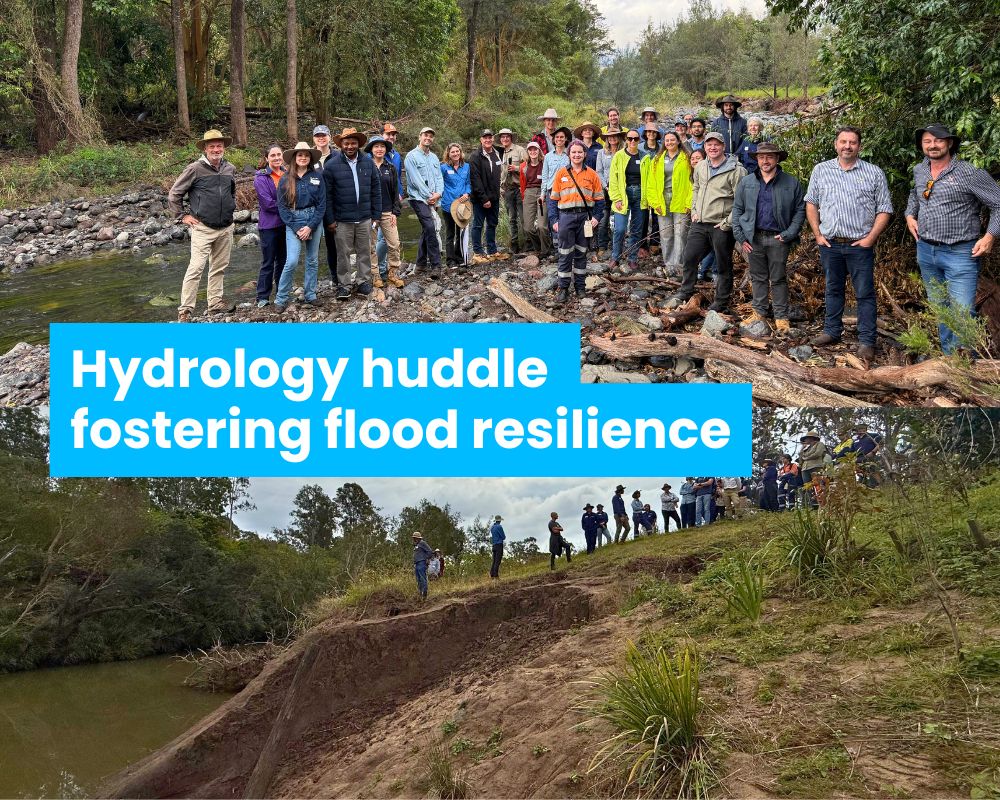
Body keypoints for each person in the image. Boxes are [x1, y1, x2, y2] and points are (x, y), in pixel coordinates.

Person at [905, 123, 1000, 354]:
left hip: (960, 253)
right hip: (926, 251)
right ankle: (951, 360)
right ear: (921, 145)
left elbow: (998, 203)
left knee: (962, 312)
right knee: (940, 309)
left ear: (949, 143)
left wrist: (990, 236)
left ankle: (967, 365)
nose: (932, 145)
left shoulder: (969, 172)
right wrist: (909, 215)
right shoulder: (920, 170)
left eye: (938, 140)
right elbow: (914, 195)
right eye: (927, 141)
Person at [805, 126, 893, 361]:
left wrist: (871, 238)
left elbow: (884, 209)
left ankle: (866, 340)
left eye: (852, 142)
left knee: (864, 293)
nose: (847, 146)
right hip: (830, 244)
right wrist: (817, 234)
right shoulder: (821, 170)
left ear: (859, 146)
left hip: (859, 246)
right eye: (843, 142)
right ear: (836, 144)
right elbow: (811, 203)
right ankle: (832, 331)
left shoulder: (874, 173)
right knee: (833, 289)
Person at [731, 142, 806, 334]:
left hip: (778, 239)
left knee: (779, 278)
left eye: (770, 157)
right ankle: (759, 312)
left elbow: (800, 209)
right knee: (758, 277)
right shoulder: (747, 182)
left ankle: (781, 316)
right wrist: (740, 236)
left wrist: (790, 233)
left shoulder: (791, 183)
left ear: (777, 158)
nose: (765, 161)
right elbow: (737, 209)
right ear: (756, 159)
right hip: (753, 238)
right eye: (762, 157)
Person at [671, 131, 746, 314]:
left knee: (722, 263)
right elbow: (696, 188)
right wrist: (695, 209)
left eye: (716, 144)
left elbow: (742, 201)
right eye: (709, 145)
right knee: (689, 257)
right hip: (700, 222)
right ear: (704, 147)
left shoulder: (737, 170)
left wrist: (728, 222)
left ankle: (721, 301)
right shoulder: (701, 166)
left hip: (721, 225)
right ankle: (686, 291)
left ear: (723, 147)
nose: (713, 148)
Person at [169, 129, 237, 321]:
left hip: (225, 227)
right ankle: (185, 310)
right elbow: (174, 194)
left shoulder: (229, 168)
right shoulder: (194, 169)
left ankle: (215, 303)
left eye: (219, 146)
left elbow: (232, 191)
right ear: (206, 149)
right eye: (212, 146)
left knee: (219, 266)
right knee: (196, 268)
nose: (216, 149)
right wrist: (182, 216)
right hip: (203, 227)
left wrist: (232, 207)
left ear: (224, 148)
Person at [323, 128, 380, 300]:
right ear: (341, 144)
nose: (350, 146)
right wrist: (330, 219)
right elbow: (328, 195)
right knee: (343, 254)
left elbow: (375, 190)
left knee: (364, 251)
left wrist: (376, 215)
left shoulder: (368, 163)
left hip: (364, 217)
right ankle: (344, 285)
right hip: (342, 219)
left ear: (358, 144)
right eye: (346, 143)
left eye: (353, 143)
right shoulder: (331, 165)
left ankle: (363, 282)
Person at [547, 139, 605, 303]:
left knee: (581, 253)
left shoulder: (592, 174)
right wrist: (554, 220)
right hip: (565, 218)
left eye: (580, 152)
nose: (577, 155)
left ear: (585, 154)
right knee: (564, 254)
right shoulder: (561, 174)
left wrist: (596, 217)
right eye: (574, 152)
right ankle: (563, 288)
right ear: (569, 154)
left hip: (585, 219)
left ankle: (580, 287)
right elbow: (552, 200)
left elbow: (600, 200)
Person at [274, 141, 326, 311]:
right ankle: (281, 299)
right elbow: (282, 207)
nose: (303, 157)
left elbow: (322, 205)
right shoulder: (285, 179)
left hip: (314, 220)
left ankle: (310, 295)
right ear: (294, 158)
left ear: (310, 158)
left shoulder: (317, 177)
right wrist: (297, 228)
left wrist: (310, 226)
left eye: (306, 155)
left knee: (312, 260)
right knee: (292, 261)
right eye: (300, 155)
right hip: (293, 220)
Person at [642, 130, 692, 276]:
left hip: (681, 200)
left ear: (678, 141)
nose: (669, 142)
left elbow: (692, 181)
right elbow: (650, 182)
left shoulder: (686, 158)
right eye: (667, 140)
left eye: (672, 140)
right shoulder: (657, 159)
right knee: (665, 234)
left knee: (681, 233)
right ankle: (669, 264)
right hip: (663, 201)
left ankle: (680, 266)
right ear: (664, 143)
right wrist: (654, 201)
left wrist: (689, 202)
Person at [405, 126, 445, 279]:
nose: (428, 138)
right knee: (430, 226)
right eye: (425, 135)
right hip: (418, 198)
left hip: (434, 197)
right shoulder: (411, 157)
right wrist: (430, 196)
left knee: (426, 229)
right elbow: (415, 181)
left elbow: (439, 178)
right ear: (419, 136)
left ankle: (420, 264)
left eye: (431, 136)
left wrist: (438, 194)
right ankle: (436, 265)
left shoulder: (434, 157)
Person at [365, 135, 403, 289]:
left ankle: (393, 273)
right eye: (376, 146)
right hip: (370, 213)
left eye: (382, 146)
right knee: (371, 246)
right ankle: (375, 276)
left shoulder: (391, 168)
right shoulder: (366, 167)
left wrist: (395, 212)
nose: (379, 149)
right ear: (371, 150)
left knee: (394, 243)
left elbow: (395, 192)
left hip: (388, 212)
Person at [253, 144, 286, 308]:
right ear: (267, 158)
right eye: (273, 155)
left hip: (285, 225)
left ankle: (281, 292)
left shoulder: (287, 174)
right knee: (268, 261)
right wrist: (289, 208)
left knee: (283, 260)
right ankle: (262, 296)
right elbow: (268, 204)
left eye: (279, 154)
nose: (276, 158)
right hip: (269, 226)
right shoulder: (261, 177)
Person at [608, 129, 645, 272]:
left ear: (639, 140)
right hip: (623, 194)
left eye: (636, 139)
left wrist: (647, 198)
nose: (633, 141)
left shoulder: (645, 157)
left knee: (636, 229)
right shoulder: (619, 156)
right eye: (630, 139)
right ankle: (615, 257)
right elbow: (613, 178)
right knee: (620, 228)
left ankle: (632, 258)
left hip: (640, 194)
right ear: (626, 140)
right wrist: (616, 197)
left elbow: (648, 179)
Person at [468, 129, 506, 264]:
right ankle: (478, 252)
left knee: (492, 224)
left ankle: (492, 250)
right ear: (481, 140)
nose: (488, 140)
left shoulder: (497, 153)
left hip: (495, 196)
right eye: (485, 138)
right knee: (478, 225)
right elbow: (475, 179)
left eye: (490, 137)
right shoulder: (475, 156)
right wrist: (484, 199)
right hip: (480, 198)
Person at [311, 124, 340, 287]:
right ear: (314, 138)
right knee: (312, 248)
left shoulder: (337, 156)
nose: (321, 138)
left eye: (324, 135)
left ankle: (336, 278)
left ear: (329, 137)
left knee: (333, 245)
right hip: (313, 209)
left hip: (333, 207)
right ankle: (311, 283)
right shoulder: (309, 157)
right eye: (317, 135)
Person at [539, 126, 572, 260]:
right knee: (553, 219)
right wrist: (542, 194)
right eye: (557, 137)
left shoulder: (569, 155)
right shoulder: (547, 157)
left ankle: (564, 246)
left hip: (566, 191)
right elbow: (545, 176)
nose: (559, 139)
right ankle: (557, 248)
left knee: (564, 219)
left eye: (561, 137)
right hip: (551, 191)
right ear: (553, 140)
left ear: (565, 139)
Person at [440, 143, 471, 269]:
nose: (455, 154)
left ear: (461, 152)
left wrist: (467, 193)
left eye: (457, 151)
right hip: (448, 204)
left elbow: (469, 183)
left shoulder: (467, 167)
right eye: (452, 152)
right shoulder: (443, 168)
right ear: (448, 154)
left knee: (461, 232)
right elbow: (439, 184)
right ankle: (450, 260)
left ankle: (459, 257)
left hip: (462, 205)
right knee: (450, 233)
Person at [498, 129, 527, 254]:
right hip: (507, 190)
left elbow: (529, 167)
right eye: (503, 137)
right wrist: (499, 188)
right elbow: (497, 173)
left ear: (511, 138)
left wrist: (516, 168)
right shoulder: (499, 153)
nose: (505, 139)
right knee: (511, 218)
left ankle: (527, 243)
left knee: (523, 218)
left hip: (519, 188)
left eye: (507, 137)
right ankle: (514, 244)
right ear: (500, 139)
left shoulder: (519, 150)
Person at [595, 127, 623, 257]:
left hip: (620, 188)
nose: (612, 138)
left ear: (619, 137)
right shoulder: (601, 152)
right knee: (603, 217)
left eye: (615, 136)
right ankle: (602, 245)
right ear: (606, 138)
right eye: (609, 136)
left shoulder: (624, 151)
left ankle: (619, 246)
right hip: (605, 188)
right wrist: (605, 185)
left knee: (620, 218)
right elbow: (599, 171)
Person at [520, 141, 547, 256]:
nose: (533, 152)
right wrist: (523, 196)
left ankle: (546, 250)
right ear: (528, 152)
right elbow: (522, 183)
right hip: (529, 194)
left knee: (542, 226)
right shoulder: (524, 166)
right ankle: (538, 248)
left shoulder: (545, 163)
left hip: (542, 192)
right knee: (528, 228)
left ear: (539, 151)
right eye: (530, 150)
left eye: (535, 149)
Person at [798, 431, 828, 508]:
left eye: (807, 438)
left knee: (818, 485)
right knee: (808, 486)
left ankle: (822, 503)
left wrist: (806, 457)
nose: (805, 440)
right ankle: (812, 504)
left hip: (816, 466)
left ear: (811, 438)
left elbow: (818, 454)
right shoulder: (806, 448)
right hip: (805, 468)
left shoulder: (820, 444)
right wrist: (802, 449)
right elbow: (801, 458)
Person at [412, 531, 435, 599]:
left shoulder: (422, 543)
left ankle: (424, 595)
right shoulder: (417, 545)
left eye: (414, 538)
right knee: (418, 579)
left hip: (421, 563)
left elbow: (430, 552)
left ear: (417, 538)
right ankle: (420, 594)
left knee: (422, 578)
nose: (413, 539)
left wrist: (427, 559)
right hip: (417, 563)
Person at [489, 514, 506, 579]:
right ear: (500, 521)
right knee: (498, 561)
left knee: (494, 560)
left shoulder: (492, 527)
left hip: (494, 545)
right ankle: (496, 575)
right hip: (499, 545)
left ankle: (492, 574)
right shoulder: (499, 527)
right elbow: (503, 537)